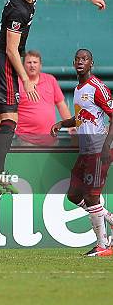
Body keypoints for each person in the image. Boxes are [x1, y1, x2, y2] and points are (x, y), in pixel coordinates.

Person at [0, 0, 106, 188]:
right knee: (10, 119)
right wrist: (26, 80)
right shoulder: (18, 9)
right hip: (3, 63)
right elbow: (11, 49)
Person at [51, 49, 113, 257]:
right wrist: (62, 123)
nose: (80, 62)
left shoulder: (98, 87)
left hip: (98, 147)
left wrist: (106, 145)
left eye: (84, 59)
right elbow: (81, 118)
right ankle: (110, 221)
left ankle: (103, 245)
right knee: (74, 195)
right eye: (77, 59)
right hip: (85, 150)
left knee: (92, 196)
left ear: (91, 64)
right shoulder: (78, 89)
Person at [17, 50, 74, 146]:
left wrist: (71, 126)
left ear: (40, 65)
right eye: (29, 62)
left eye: (35, 62)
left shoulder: (50, 80)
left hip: (50, 140)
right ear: (23, 66)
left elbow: (61, 105)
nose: (32, 65)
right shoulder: (18, 82)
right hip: (26, 141)